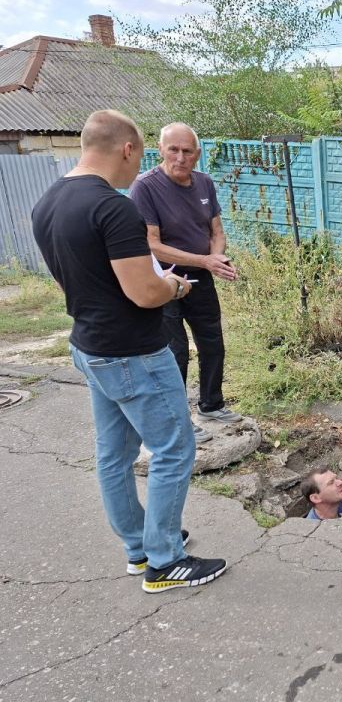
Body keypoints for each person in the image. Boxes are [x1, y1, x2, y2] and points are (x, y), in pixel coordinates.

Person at [31, 109, 227, 593]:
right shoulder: (113, 207)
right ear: (128, 149)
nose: (137, 169)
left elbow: (78, 277)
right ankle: (164, 561)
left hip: (90, 345)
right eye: (141, 156)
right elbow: (144, 292)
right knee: (174, 447)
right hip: (132, 352)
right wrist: (177, 288)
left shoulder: (49, 201)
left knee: (114, 454)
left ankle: (140, 546)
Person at [128, 123, 240, 443]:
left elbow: (216, 232)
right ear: (161, 150)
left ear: (197, 154)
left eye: (187, 150)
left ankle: (211, 404)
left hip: (201, 278)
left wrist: (216, 259)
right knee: (175, 352)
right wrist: (205, 260)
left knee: (212, 343)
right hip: (164, 280)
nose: (180, 157)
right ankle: (179, 421)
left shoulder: (204, 183)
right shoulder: (145, 187)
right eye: (173, 149)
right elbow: (152, 244)